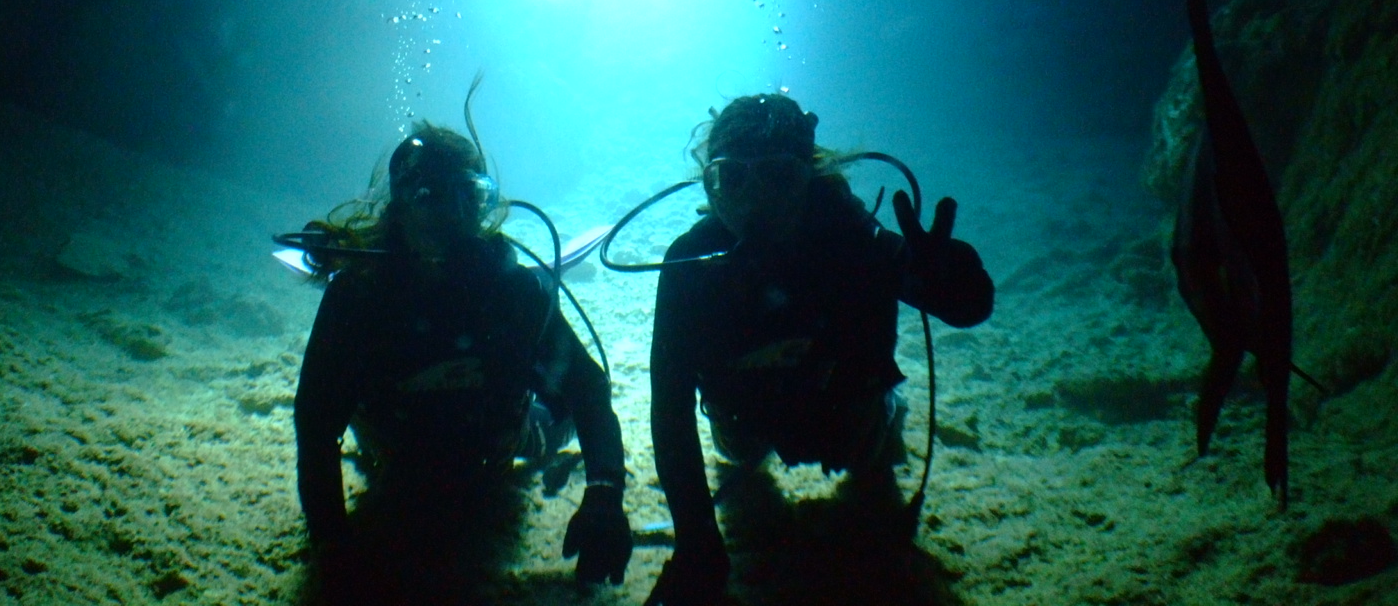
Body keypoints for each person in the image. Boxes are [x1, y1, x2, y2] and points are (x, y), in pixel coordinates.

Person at [646, 95, 994, 606]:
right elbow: (670, 407)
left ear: (808, 177)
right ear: (710, 184)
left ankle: (888, 414)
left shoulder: (853, 239)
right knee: (737, 450)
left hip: (845, 409)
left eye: (777, 176)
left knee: (864, 451)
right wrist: (697, 543)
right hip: (743, 415)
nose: (754, 199)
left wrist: (949, 277)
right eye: (732, 178)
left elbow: (968, 307)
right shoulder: (691, 263)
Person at [293, 120, 632, 600]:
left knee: (555, 420)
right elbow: (314, 421)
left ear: (483, 202)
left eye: (469, 195)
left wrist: (604, 493)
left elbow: (588, 388)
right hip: (396, 450)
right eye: (430, 195)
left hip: (497, 443)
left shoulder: (516, 294)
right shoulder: (357, 296)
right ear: (399, 206)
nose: (452, 215)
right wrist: (330, 538)